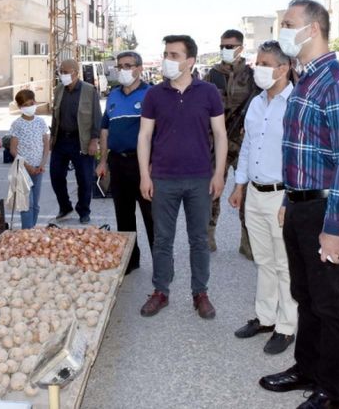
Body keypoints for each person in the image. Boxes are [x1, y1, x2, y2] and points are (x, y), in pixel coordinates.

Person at [258, 0, 339, 409]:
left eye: (288, 23)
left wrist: (335, 228)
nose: (283, 29)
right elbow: (299, 151)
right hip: (299, 204)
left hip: (325, 210)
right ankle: (306, 368)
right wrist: (289, 198)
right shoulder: (306, 80)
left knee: (329, 302)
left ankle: (330, 391)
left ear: (313, 29)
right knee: (304, 294)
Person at [137, 35, 227, 319]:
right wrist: (144, 175)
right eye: (166, 53)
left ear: (190, 61)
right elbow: (145, 136)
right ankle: (160, 291)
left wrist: (219, 174)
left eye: (174, 55)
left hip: (200, 178)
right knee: (162, 239)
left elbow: (221, 135)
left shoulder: (209, 92)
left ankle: (200, 293)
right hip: (163, 178)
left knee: (199, 239)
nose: (167, 59)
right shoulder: (154, 94)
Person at [228, 40, 296, 355]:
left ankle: (286, 326)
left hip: (282, 195)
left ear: (284, 68)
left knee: (284, 264)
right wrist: (239, 185)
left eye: (266, 63)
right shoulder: (256, 103)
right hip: (254, 193)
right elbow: (247, 147)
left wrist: (290, 199)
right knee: (263, 260)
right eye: (258, 62)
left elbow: (298, 157)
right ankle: (265, 317)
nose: (259, 68)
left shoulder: (296, 103)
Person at [96, 51, 154, 275]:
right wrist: (103, 161)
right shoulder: (113, 96)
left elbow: (159, 132)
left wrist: (153, 165)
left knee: (151, 217)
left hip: (143, 165)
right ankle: (131, 261)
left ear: (139, 68)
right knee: (124, 215)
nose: (123, 70)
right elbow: (104, 129)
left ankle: (161, 264)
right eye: (120, 66)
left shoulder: (151, 94)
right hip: (118, 164)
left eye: (128, 65)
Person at [203, 29, 259, 256]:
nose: (225, 50)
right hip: (218, 142)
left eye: (230, 46)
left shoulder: (253, 76)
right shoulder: (212, 75)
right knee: (212, 190)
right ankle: (207, 236)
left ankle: (248, 240)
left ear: (241, 48)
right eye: (222, 46)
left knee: (246, 192)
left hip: (245, 142)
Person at [49, 59, 102, 224]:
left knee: (85, 178)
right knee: (56, 175)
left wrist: (94, 140)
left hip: (81, 140)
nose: (62, 75)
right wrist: (52, 136)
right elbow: (55, 115)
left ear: (75, 72)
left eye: (65, 72)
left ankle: (83, 210)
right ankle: (65, 206)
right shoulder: (58, 90)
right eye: (60, 71)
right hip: (61, 140)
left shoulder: (89, 90)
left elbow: (97, 117)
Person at [9, 89, 49, 229]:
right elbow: (13, 149)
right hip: (23, 169)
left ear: (35, 102)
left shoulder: (41, 122)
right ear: (20, 107)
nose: (30, 106)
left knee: (36, 204)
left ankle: (32, 228)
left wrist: (43, 164)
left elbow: (46, 144)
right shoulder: (17, 124)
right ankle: (27, 232)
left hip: (38, 169)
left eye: (31, 103)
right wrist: (26, 165)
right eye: (25, 105)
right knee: (27, 203)